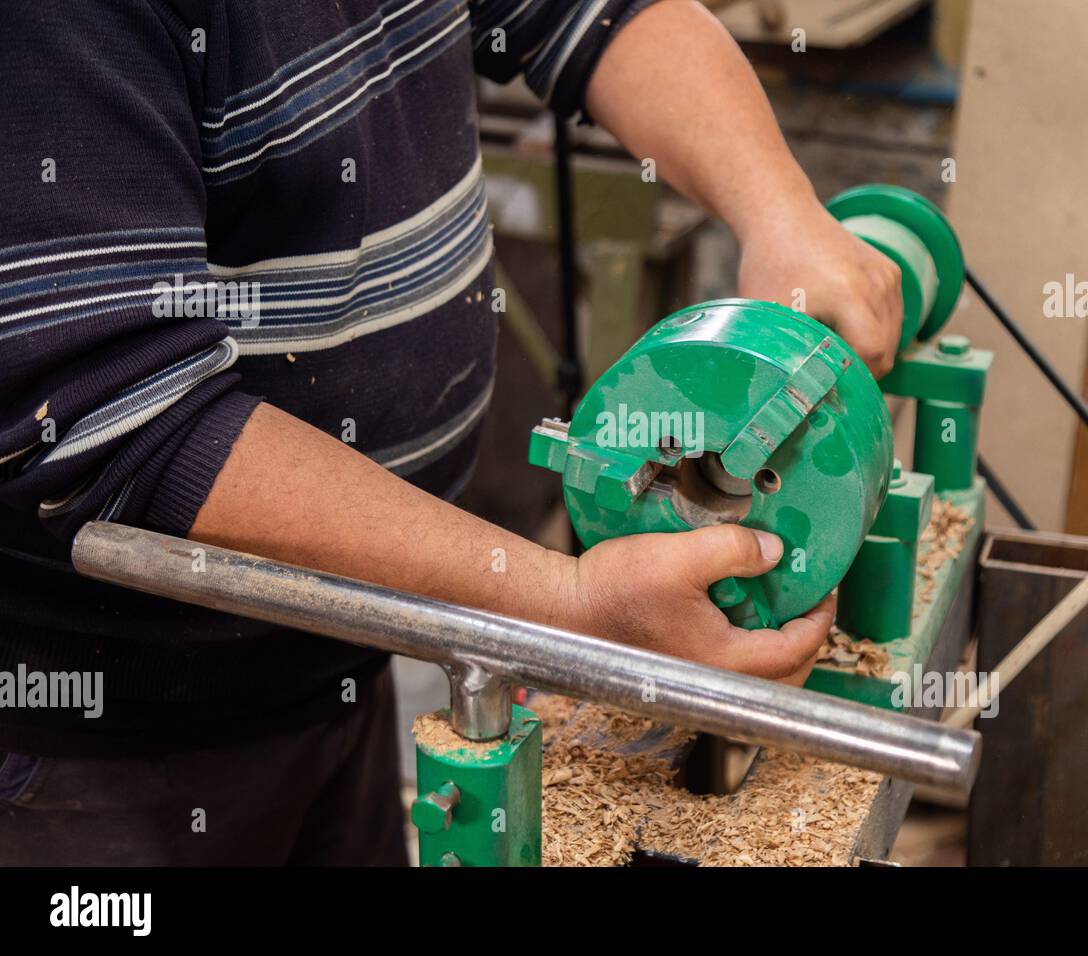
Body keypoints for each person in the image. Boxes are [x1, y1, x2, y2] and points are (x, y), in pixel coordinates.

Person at [0, 0, 903, 864]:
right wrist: (565, 610)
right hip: (97, 740)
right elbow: (108, 413)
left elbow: (587, 12)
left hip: (344, 652)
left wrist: (784, 213)